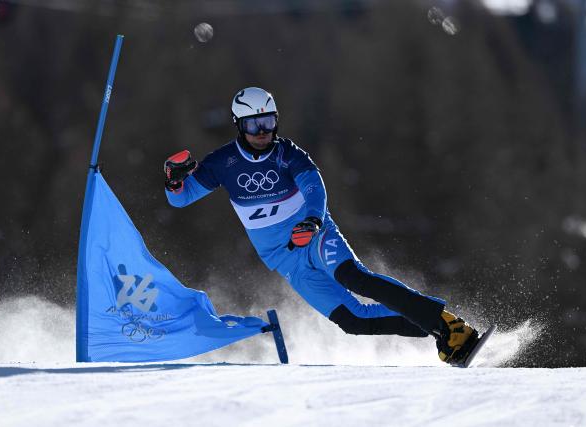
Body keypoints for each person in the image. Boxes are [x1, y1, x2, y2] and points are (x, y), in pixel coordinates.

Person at [164, 87, 479, 365]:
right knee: (354, 319)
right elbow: (181, 198)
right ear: (239, 125)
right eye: (254, 125)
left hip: (315, 237)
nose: (263, 132)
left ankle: (447, 326)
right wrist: (174, 182)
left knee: (356, 278)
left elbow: (314, 186)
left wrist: (313, 221)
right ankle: (444, 330)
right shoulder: (222, 162)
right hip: (286, 260)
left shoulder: (288, 154)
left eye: (269, 122)